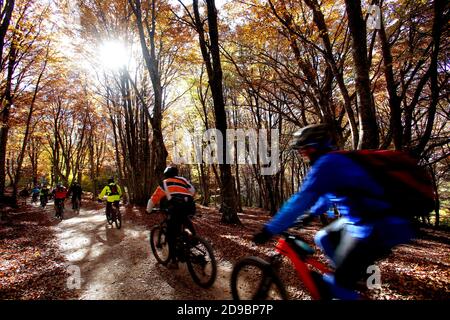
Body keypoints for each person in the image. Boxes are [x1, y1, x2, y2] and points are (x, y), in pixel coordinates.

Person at [253, 124, 415, 300]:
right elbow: (330, 195)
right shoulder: (336, 161)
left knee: (335, 287)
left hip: (378, 226)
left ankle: (343, 286)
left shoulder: (327, 164)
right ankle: (351, 276)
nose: (303, 154)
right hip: (363, 220)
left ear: (315, 146)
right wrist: (312, 214)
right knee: (322, 237)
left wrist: (270, 229)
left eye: (305, 149)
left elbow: (301, 199)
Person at [146, 166, 196, 269]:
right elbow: (193, 191)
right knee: (184, 220)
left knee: (170, 235)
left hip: (176, 209)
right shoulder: (183, 180)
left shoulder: (165, 183)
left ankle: (174, 262)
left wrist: (148, 210)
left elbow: (153, 199)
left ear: (166, 174)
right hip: (189, 207)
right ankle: (194, 240)